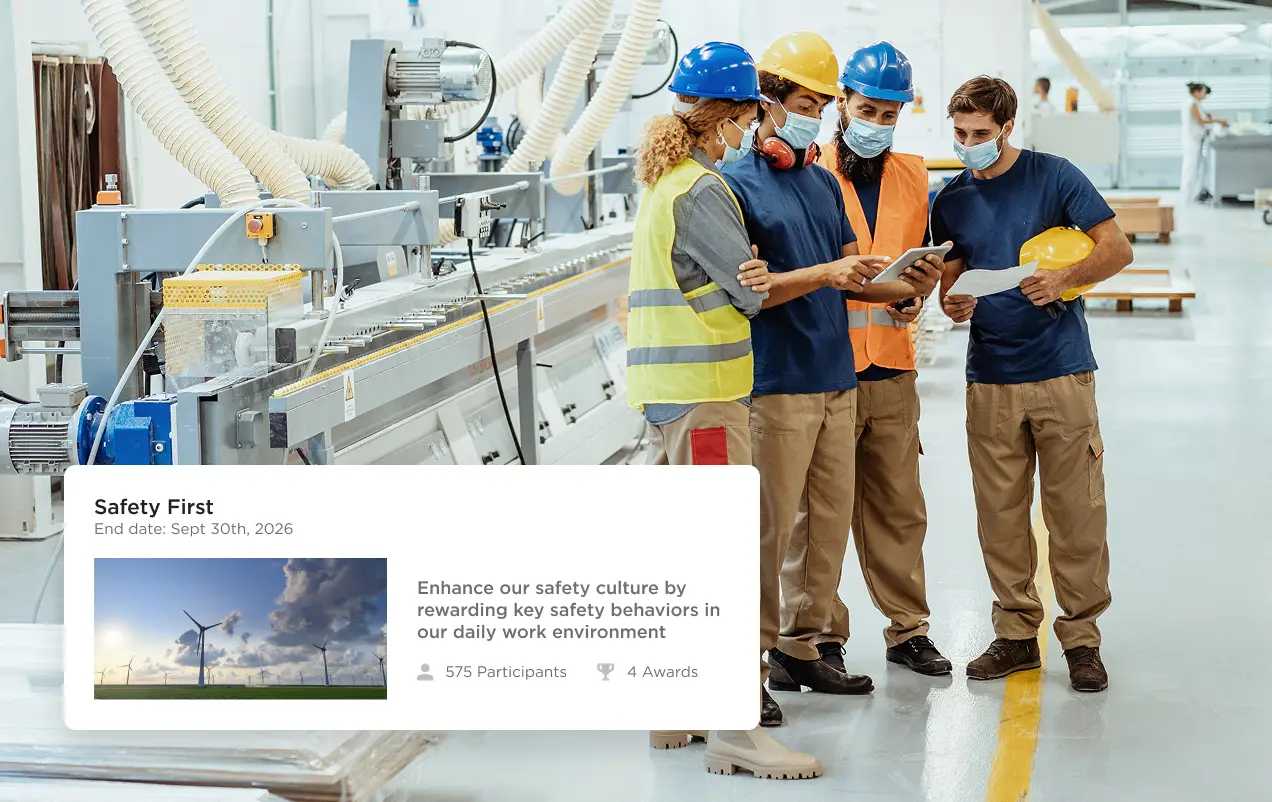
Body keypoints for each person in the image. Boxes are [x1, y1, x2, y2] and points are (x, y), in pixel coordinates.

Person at [720, 32, 941, 728]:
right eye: (808, 103)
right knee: (772, 530)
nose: (814, 114)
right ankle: (743, 667)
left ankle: (800, 646)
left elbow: (856, 273)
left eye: (819, 103)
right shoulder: (732, 183)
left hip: (836, 377)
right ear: (768, 103)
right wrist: (823, 276)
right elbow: (749, 291)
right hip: (778, 379)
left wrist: (906, 286)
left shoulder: (816, 181)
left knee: (826, 531)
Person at [628, 41, 821, 780]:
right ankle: (737, 726)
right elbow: (749, 292)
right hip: (708, 398)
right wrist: (757, 273)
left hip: (668, 401)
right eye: (747, 119)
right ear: (723, 119)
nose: (751, 134)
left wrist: (752, 269)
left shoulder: (664, 185)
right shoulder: (705, 191)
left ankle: (675, 712)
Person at [932, 76, 1133, 693]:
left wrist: (1068, 278)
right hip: (989, 377)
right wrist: (952, 302)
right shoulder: (951, 199)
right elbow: (951, 277)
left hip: (1061, 371)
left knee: (1075, 512)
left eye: (981, 134)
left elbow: (1117, 249)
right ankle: (1016, 635)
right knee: (1000, 515)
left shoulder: (1055, 176)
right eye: (961, 134)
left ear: (1007, 127)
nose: (970, 145)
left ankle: (1081, 639)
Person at [815, 41, 952, 677]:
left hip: (892, 365)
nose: (877, 124)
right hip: (826, 368)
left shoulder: (912, 173)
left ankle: (909, 631)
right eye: (867, 109)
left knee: (900, 507)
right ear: (842, 102)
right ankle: (818, 636)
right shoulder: (807, 170)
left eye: (889, 115)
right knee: (818, 513)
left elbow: (918, 263)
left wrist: (914, 295)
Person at [1181, 82, 1228, 203]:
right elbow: (1200, 121)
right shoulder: (1192, 103)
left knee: (1195, 167)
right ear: (1196, 92)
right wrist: (1219, 121)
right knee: (1190, 168)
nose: (1204, 95)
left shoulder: (1196, 103)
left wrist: (1209, 118)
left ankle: (1192, 194)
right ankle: (1186, 196)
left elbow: (1202, 119)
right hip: (1192, 141)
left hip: (1196, 140)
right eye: (1203, 92)